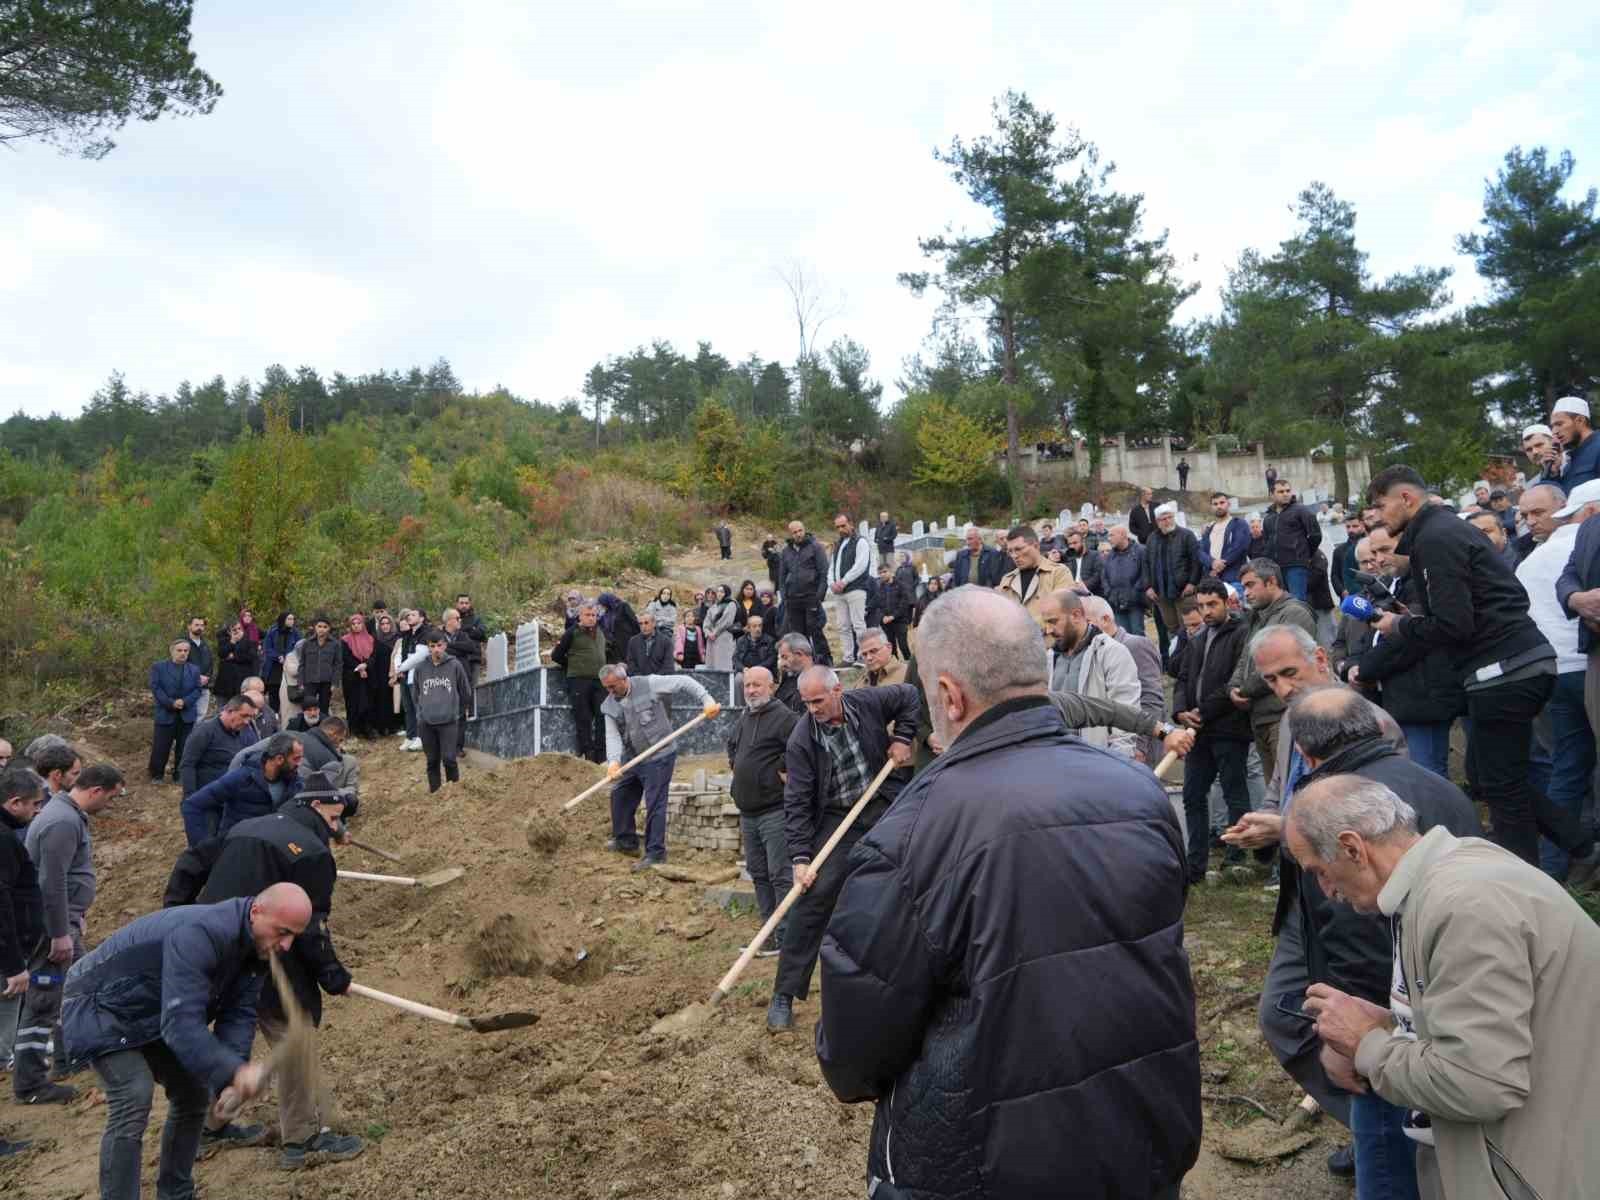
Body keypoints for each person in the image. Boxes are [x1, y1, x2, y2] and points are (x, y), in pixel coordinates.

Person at [815, 588, 1201, 1198]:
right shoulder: (1141, 795)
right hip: (1144, 1137)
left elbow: (854, 1049)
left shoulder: (915, 831)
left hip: (986, 1163)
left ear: (948, 694)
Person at [1291, 776, 1600, 1200]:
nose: (1325, 890)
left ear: (1352, 848)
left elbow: (1479, 1083)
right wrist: (1396, 1024)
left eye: (1319, 873)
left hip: (1534, 1176)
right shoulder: (1444, 880)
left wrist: (1369, 1044)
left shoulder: (1464, 907)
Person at [1233, 693, 1478, 1196]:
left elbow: (1355, 938)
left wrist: (1352, 1042)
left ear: (1303, 750)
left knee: (1388, 1168)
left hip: (1386, 1023)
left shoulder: (1333, 809)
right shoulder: (1439, 786)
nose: (1324, 883)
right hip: (1443, 1004)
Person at [1372, 465, 1599, 877]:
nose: (1376, 516)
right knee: (1484, 774)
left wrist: (1399, 626)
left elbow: (1452, 624)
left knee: (1502, 785)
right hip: (1510, 664)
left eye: (1380, 505)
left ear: (1406, 498)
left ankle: (1526, 888)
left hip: (1506, 668)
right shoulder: (1438, 533)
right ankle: (1581, 843)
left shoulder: (1434, 538)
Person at [62, 884, 312, 1200]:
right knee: (133, 1095)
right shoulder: (202, 933)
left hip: (153, 1008)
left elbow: (238, 1015)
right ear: (256, 912)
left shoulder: (259, 947)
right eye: (283, 932)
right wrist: (235, 1071)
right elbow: (181, 1023)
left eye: (294, 936)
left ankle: (176, 1193)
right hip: (101, 1004)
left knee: (194, 1093)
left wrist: (229, 1081)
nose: (287, 944)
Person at [166, 777, 364, 1168]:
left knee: (228, 1043)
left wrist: (179, 914)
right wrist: (332, 975)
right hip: (268, 959)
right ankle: (301, 1140)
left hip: (212, 947)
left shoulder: (248, 826)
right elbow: (309, 927)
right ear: (315, 809)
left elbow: (190, 863)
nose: (338, 826)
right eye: (335, 817)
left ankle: (212, 1124)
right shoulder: (311, 855)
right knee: (295, 1038)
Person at [764, 666, 918, 1033]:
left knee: (914, 869)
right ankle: (784, 993)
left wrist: (903, 737)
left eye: (818, 700)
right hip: (837, 817)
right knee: (813, 898)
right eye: (806, 703)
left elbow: (910, 696)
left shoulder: (866, 702)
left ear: (838, 691)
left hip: (881, 801)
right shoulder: (802, 739)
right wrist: (801, 859)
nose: (813, 709)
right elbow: (797, 802)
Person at [13, 762, 124, 1105]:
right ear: (95, 791)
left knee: (77, 987)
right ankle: (30, 1083)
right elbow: (51, 883)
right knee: (45, 1001)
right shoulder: (61, 821)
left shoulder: (66, 815)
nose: (109, 804)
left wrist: (76, 916)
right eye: (110, 797)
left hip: (65, 923)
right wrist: (60, 931)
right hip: (51, 931)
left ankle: (67, 1059)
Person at [1514, 479, 1600, 879]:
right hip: (1586, 666)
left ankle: (1554, 868)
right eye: (1525, 515)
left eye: (1539, 513)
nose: (1531, 522)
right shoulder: (1570, 549)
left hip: (1554, 672)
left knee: (1567, 767)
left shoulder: (1531, 561)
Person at [1345, 525, 1465, 779]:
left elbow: (1410, 638)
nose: (1378, 559)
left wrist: (1366, 669)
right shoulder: (1392, 585)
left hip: (1424, 700)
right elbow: (1371, 638)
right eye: (1374, 552)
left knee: (1429, 779)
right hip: (1399, 700)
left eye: (1385, 550)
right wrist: (1351, 666)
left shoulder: (1423, 583)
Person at [1171, 579, 1255, 883]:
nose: (1205, 611)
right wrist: (1179, 710)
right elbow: (1181, 677)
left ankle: (1235, 858)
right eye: (1201, 605)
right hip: (1197, 731)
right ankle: (1195, 864)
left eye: (1211, 605)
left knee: (1235, 791)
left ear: (1226, 603)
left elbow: (1235, 681)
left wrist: (1202, 711)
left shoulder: (1242, 634)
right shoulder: (1197, 638)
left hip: (1229, 727)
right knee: (1193, 794)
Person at [599, 664, 718, 869]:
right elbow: (612, 736)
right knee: (620, 793)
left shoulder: (649, 683)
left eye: (612, 687)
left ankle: (655, 853)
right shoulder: (609, 705)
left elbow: (684, 682)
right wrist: (613, 762)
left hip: (660, 755)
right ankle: (626, 841)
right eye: (606, 688)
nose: (610, 692)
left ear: (623, 679)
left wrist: (706, 699)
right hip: (634, 757)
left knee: (655, 802)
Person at [725, 667, 798, 958]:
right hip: (748, 812)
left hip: (774, 811)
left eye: (757, 685)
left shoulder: (785, 718)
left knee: (780, 874)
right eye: (748, 686)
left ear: (772, 687)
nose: (751, 690)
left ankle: (786, 936)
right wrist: (736, 763)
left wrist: (782, 767)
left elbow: (802, 747)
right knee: (759, 873)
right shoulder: (745, 716)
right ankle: (768, 933)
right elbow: (732, 744)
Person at [1228, 558, 1317, 777]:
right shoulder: (1258, 617)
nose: (1245, 593)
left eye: (1250, 585)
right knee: (1275, 794)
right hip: (1260, 717)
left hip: (1285, 716)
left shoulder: (1294, 613)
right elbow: (1245, 659)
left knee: (1293, 787)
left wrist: (1244, 690)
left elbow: (1281, 663)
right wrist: (1233, 686)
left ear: (1271, 582)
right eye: (1243, 587)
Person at [1040, 589, 1141, 757]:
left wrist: (1117, 765)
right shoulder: (1050, 658)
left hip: (1098, 762)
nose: (1049, 630)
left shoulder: (1111, 653)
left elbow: (1126, 717)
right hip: (1058, 760)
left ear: (1077, 615)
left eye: (1053, 621)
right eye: (1046, 623)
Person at [0, 767, 45, 1123]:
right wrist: (14, 965)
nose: (37, 812)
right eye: (34, 805)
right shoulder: (3, 839)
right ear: (14, 802)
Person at [180, 733, 303, 847]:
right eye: (296, 759)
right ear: (279, 759)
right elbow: (192, 805)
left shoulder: (293, 781)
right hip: (235, 849)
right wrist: (202, 848)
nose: (300, 764)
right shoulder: (241, 778)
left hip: (265, 851)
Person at [1082, 595, 1163, 761]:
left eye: (1087, 621)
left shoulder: (1135, 645)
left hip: (1136, 749)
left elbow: (1151, 699)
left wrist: (1138, 746)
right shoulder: (1091, 651)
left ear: (1105, 619)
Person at [412, 630, 474, 793]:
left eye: (439, 645)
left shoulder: (454, 665)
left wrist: (458, 712)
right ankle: (435, 792)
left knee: (449, 759)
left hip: (449, 721)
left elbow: (465, 691)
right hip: (427, 722)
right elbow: (416, 695)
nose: (436, 649)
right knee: (432, 760)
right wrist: (421, 714)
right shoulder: (420, 668)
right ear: (428, 648)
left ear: (445, 645)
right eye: (433, 646)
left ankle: (454, 793)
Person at [1146, 503, 1202, 667]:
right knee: (1172, 629)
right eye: (1163, 519)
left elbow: (1196, 561)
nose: (1167, 521)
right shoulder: (1152, 538)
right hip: (1162, 593)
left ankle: (1194, 662)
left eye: (1169, 517)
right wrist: (1148, 586)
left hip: (1184, 592)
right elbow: (1146, 563)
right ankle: (1179, 661)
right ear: (1157, 521)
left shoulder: (1186, 535)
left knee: (1190, 627)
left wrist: (1192, 582)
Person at [551, 601, 607, 763]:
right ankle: (587, 754)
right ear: (580, 616)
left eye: (593, 615)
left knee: (602, 716)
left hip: (599, 681)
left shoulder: (601, 633)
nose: (591, 618)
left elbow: (608, 652)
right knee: (584, 718)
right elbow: (556, 655)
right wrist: (573, 665)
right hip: (579, 681)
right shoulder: (572, 633)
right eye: (587, 615)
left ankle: (601, 756)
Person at [996, 523, 1076, 630]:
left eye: (1019, 549)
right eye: (1010, 551)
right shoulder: (1007, 580)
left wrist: (1021, 629)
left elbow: (1061, 614)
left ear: (1036, 546)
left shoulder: (1058, 573)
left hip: (1047, 644)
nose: (1014, 556)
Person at [177, 695, 258, 799]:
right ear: (230, 711)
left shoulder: (245, 733)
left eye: (250, 717)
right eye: (244, 716)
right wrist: (190, 797)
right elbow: (187, 764)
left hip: (232, 796)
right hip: (206, 795)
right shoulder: (205, 731)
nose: (247, 721)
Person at [148, 638, 202, 784]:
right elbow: (155, 688)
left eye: (186, 651)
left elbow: (198, 689)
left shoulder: (194, 669)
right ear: (172, 651)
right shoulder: (158, 667)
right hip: (166, 712)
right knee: (161, 745)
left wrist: (185, 702)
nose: (183, 653)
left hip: (187, 713)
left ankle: (179, 774)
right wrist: (171, 703)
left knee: (184, 746)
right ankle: (157, 774)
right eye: (179, 650)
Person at [825, 512, 872, 666]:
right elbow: (832, 566)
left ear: (851, 523)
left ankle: (863, 655)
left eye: (843, 525)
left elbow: (860, 565)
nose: (840, 529)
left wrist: (844, 581)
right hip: (839, 592)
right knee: (843, 625)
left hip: (856, 588)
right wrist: (831, 582)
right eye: (837, 527)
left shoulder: (860, 542)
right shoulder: (838, 544)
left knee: (858, 624)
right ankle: (848, 657)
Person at [1264, 479, 1322, 602]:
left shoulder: (1301, 510)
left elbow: (1315, 535)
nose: (1285, 494)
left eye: (1288, 491)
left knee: (1297, 602)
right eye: (1280, 491)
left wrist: (1306, 554)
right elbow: (1267, 542)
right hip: (1275, 568)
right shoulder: (1268, 517)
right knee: (1280, 603)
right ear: (1271, 494)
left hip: (1296, 564)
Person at [1097, 524, 1149, 637]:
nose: (1108, 538)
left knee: (1137, 635)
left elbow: (1145, 574)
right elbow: (1104, 576)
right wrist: (1109, 593)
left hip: (1135, 602)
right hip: (1116, 602)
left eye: (1112, 535)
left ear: (1122, 535)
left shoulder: (1140, 551)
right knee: (1122, 636)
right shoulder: (1110, 555)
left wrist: (1134, 594)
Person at [1199, 492, 1252, 586]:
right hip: (1212, 580)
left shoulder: (1239, 524)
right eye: (1215, 504)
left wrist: (1219, 566)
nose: (1219, 506)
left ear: (1228, 504)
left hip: (1233, 578)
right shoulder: (1209, 530)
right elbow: (1201, 551)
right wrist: (1212, 563)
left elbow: (1239, 547)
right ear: (1211, 507)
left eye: (1222, 502)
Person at [1551, 393, 1600, 490]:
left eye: (1559, 424)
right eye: (1552, 426)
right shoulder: (1569, 461)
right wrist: (1554, 472)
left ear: (1580, 420)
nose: (1554, 431)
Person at [297, 616, 342, 717]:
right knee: (308, 707)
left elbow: (338, 665)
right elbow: (302, 664)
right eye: (319, 626)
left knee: (324, 708)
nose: (322, 629)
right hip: (310, 681)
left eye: (325, 627)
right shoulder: (307, 643)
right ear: (315, 627)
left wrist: (335, 683)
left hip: (326, 681)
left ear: (329, 628)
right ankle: (307, 730)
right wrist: (300, 682)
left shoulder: (335, 644)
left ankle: (322, 730)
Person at [261, 612, 300, 709]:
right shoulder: (273, 631)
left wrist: (289, 657)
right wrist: (278, 656)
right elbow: (267, 648)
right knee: (274, 692)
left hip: (288, 666)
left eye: (293, 619)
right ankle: (274, 715)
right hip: (274, 666)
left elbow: (299, 647)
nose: (292, 621)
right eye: (289, 619)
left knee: (287, 691)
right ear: (283, 620)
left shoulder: (295, 633)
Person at [874, 563, 912, 659]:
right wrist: (882, 617)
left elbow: (904, 604)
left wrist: (893, 616)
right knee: (891, 648)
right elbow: (877, 606)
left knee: (903, 645)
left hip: (900, 621)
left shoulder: (901, 585)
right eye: (880, 573)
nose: (882, 574)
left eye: (884, 572)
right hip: (886, 623)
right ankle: (895, 668)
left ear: (891, 572)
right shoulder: (879, 588)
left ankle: (910, 667)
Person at [214, 621, 258, 702]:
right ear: (228, 631)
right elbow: (221, 654)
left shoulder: (248, 640)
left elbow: (251, 657)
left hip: (241, 681)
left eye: (239, 628)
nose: (237, 631)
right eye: (234, 629)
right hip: (225, 682)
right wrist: (232, 642)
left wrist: (234, 657)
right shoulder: (223, 640)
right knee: (223, 709)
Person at [182, 616, 214, 720]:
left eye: (202, 625)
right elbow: (180, 664)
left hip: (204, 687)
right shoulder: (183, 644)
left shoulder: (206, 645)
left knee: (201, 716)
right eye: (196, 625)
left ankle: (196, 736)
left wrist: (207, 678)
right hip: (188, 687)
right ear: (189, 626)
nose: (199, 627)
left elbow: (210, 664)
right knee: (187, 716)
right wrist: (197, 677)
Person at [625, 612, 676, 677]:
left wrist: (653, 680)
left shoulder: (666, 642)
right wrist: (641, 679)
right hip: (639, 681)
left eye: (646, 623)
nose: (643, 626)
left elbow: (668, 667)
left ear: (654, 623)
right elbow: (631, 665)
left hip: (660, 682)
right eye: (640, 624)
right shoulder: (633, 641)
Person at [1330, 515, 1368, 598]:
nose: (1351, 530)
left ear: (1363, 526)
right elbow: (1335, 575)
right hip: (1348, 597)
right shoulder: (1339, 551)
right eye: (1348, 527)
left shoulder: (1372, 546)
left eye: (1355, 526)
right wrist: (1342, 591)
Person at [702, 583, 738, 671]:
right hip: (711, 639)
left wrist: (715, 632)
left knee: (723, 664)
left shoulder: (731, 605)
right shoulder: (712, 607)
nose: (719, 593)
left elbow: (726, 621)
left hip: (724, 637)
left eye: (722, 592)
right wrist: (708, 633)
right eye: (718, 591)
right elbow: (706, 623)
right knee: (711, 665)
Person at [1522, 421, 1564, 486]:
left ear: (1553, 443)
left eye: (1539, 445)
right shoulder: (1531, 486)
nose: (1534, 452)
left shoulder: (1573, 465)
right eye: (1529, 449)